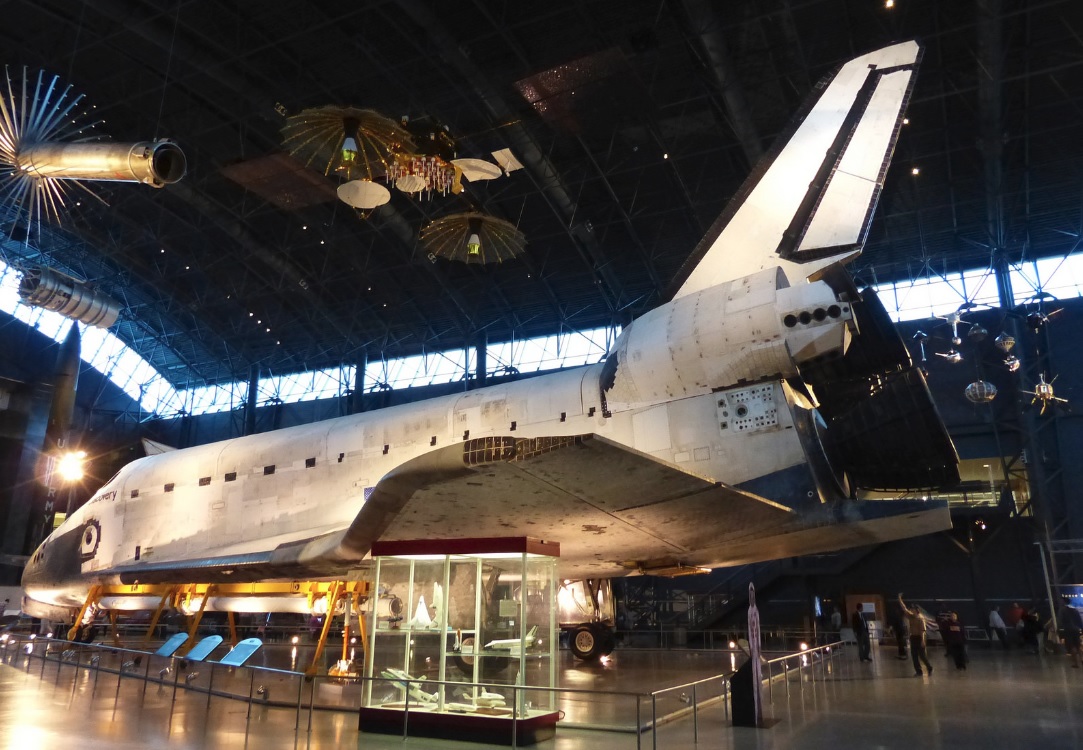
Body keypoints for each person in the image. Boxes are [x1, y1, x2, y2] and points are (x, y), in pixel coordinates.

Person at [898, 594, 933, 676]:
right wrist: (900, 599)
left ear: (917, 610)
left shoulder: (920, 619)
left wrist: (923, 641)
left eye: (913, 609)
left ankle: (929, 667)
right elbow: (904, 609)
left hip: (919, 637)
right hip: (913, 637)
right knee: (914, 655)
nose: (911, 610)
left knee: (922, 655)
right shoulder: (911, 616)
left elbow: (923, 631)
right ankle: (918, 671)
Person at [1058, 600, 1083, 669]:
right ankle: (1082, 658)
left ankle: (1075, 663)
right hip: (1076, 629)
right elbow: (1079, 620)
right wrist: (1081, 628)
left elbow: (1061, 620)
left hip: (1068, 630)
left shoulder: (1062, 610)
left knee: (1072, 646)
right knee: (1078, 645)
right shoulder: (1075, 610)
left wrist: (1060, 629)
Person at [889, 594, 909, 660]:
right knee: (901, 643)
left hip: (900, 631)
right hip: (900, 631)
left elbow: (903, 607)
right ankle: (902, 654)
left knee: (901, 643)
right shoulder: (900, 617)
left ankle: (903, 654)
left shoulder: (898, 617)